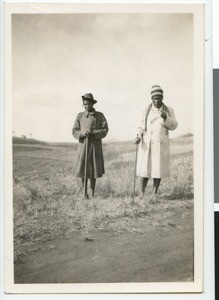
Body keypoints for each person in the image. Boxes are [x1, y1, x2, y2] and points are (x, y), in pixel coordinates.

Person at [135, 85, 178, 197]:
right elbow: (139, 125)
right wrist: (138, 136)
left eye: (159, 98)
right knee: (145, 168)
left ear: (162, 98)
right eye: (155, 98)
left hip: (160, 143)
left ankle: (154, 194)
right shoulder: (145, 110)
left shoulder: (169, 110)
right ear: (152, 99)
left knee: (157, 169)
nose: (157, 100)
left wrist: (165, 118)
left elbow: (174, 126)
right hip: (147, 143)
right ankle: (141, 194)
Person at [72, 93, 109, 199]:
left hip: (95, 146)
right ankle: (84, 192)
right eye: (85, 104)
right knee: (83, 169)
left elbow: (105, 130)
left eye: (89, 104)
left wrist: (93, 132)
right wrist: (82, 134)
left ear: (93, 104)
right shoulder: (79, 116)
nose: (87, 106)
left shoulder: (100, 115)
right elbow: (74, 130)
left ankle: (92, 192)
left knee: (93, 169)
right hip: (83, 146)